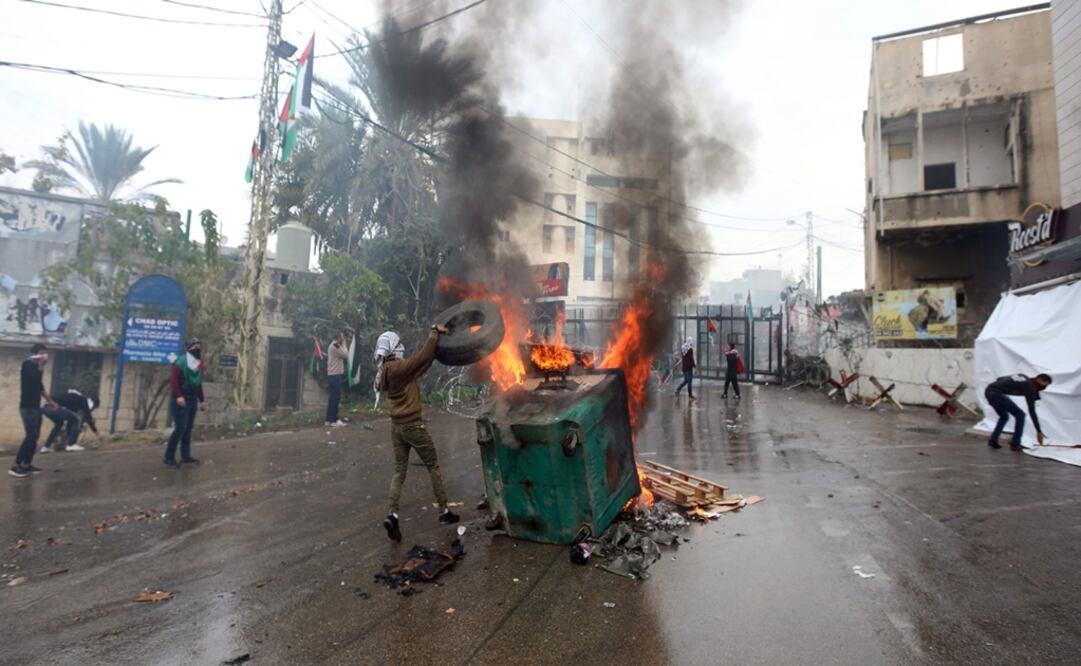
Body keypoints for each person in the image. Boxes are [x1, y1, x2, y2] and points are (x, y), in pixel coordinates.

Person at [375, 326, 459, 542]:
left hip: (397, 429)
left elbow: (420, 365)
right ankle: (444, 511)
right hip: (413, 426)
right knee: (433, 466)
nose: (401, 346)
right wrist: (434, 333)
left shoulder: (385, 370)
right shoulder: (398, 368)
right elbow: (419, 358)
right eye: (399, 343)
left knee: (399, 471)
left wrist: (434, 354)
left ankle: (392, 514)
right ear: (393, 347)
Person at [12, 343, 55, 478]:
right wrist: (41, 365)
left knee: (35, 436)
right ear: (36, 353)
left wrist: (51, 402)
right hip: (27, 407)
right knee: (30, 435)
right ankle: (16, 465)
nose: (45, 356)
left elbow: (40, 387)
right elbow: (33, 378)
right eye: (43, 352)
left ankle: (27, 463)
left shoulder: (36, 367)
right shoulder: (28, 364)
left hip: (36, 407)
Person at [164, 339, 207, 468]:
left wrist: (202, 400)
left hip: (192, 399)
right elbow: (174, 381)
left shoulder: (199, 364)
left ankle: (185, 456)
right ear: (187, 349)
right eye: (194, 346)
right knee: (180, 429)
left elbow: (198, 384)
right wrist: (178, 396)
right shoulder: (181, 362)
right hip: (181, 400)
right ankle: (168, 457)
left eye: (199, 347)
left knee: (188, 429)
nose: (197, 349)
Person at [984, 373, 1052, 451]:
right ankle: (1015, 444)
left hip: (989, 391)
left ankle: (993, 440)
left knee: (1004, 417)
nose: (1044, 388)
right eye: (1044, 385)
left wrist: (1006, 389)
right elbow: (1032, 411)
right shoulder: (1030, 387)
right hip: (997, 394)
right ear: (1039, 380)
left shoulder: (1023, 376)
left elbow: (999, 378)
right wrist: (1039, 431)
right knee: (1020, 415)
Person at [42, 389, 106, 453]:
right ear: (93, 404)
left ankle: (46, 447)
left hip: (46, 408)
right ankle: (71, 444)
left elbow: (70, 422)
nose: (92, 410)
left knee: (59, 424)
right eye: (94, 408)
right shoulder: (85, 401)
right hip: (55, 406)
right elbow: (89, 419)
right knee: (77, 420)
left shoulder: (75, 403)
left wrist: (69, 436)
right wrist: (98, 434)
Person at [325, 330, 349, 427]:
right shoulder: (336, 345)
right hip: (335, 375)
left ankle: (328, 420)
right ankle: (334, 420)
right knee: (335, 398)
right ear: (339, 337)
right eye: (342, 337)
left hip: (332, 375)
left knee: (332, 398)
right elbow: (346, 355)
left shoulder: (333, 345)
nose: (343, 338)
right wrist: (344, 344)